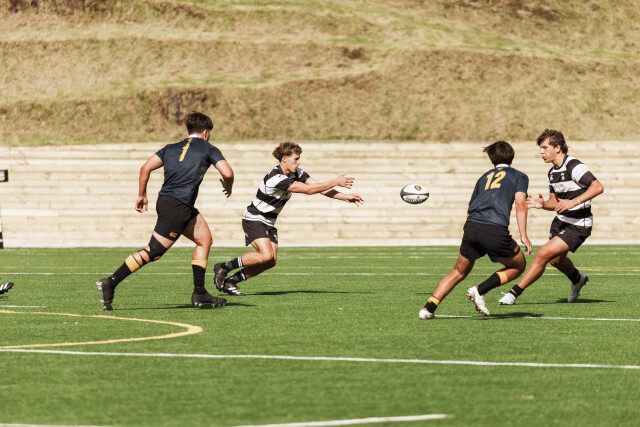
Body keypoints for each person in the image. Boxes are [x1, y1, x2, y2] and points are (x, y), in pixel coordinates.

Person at [96, 111, 234, 310]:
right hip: (178, 206)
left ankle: (200, 292)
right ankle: (111, 282)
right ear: (205, 132)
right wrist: (228, 186)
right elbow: (227, 173)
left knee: (204, 240)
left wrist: (142, 195)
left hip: (171, 202)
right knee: (154, 251)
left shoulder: (171, 148)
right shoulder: (208, 148)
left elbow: (145, 167)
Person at [212, 141, 364, 296]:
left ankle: (231, 282)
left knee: (271, 261)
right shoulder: (276, 178)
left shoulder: (296, 173)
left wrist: (345, 197)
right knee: (266, 255)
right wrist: (335, 181)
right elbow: (309, 190)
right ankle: (224, 267)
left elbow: (319, 187)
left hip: (268, 222)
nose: (298, 162)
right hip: (254, 218)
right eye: (296, 159)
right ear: (284, 158)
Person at [419, 141, 532, 319]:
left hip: (472, 226)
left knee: (459, 271)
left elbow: (469, 208)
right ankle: (479, 290)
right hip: (494, 228)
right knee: (518, 265)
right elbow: (520, 203)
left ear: (491, 159)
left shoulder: (483, 177)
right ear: (512, 156)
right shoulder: (519, 176)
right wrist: (524, 235)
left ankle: (427, 309)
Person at [499, 129, 604, 305]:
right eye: (540, 148)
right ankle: (577, 279)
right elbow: (555, 202)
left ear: (557, 148)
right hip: (561, 222)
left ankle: (513, 294)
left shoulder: (574, 166)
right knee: (555, 260)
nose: (541, 152)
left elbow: (597, 187)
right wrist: (543, 204)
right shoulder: (552, 173)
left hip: (578, 224)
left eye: (544, 148)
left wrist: (573, 202)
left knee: (543, 254)